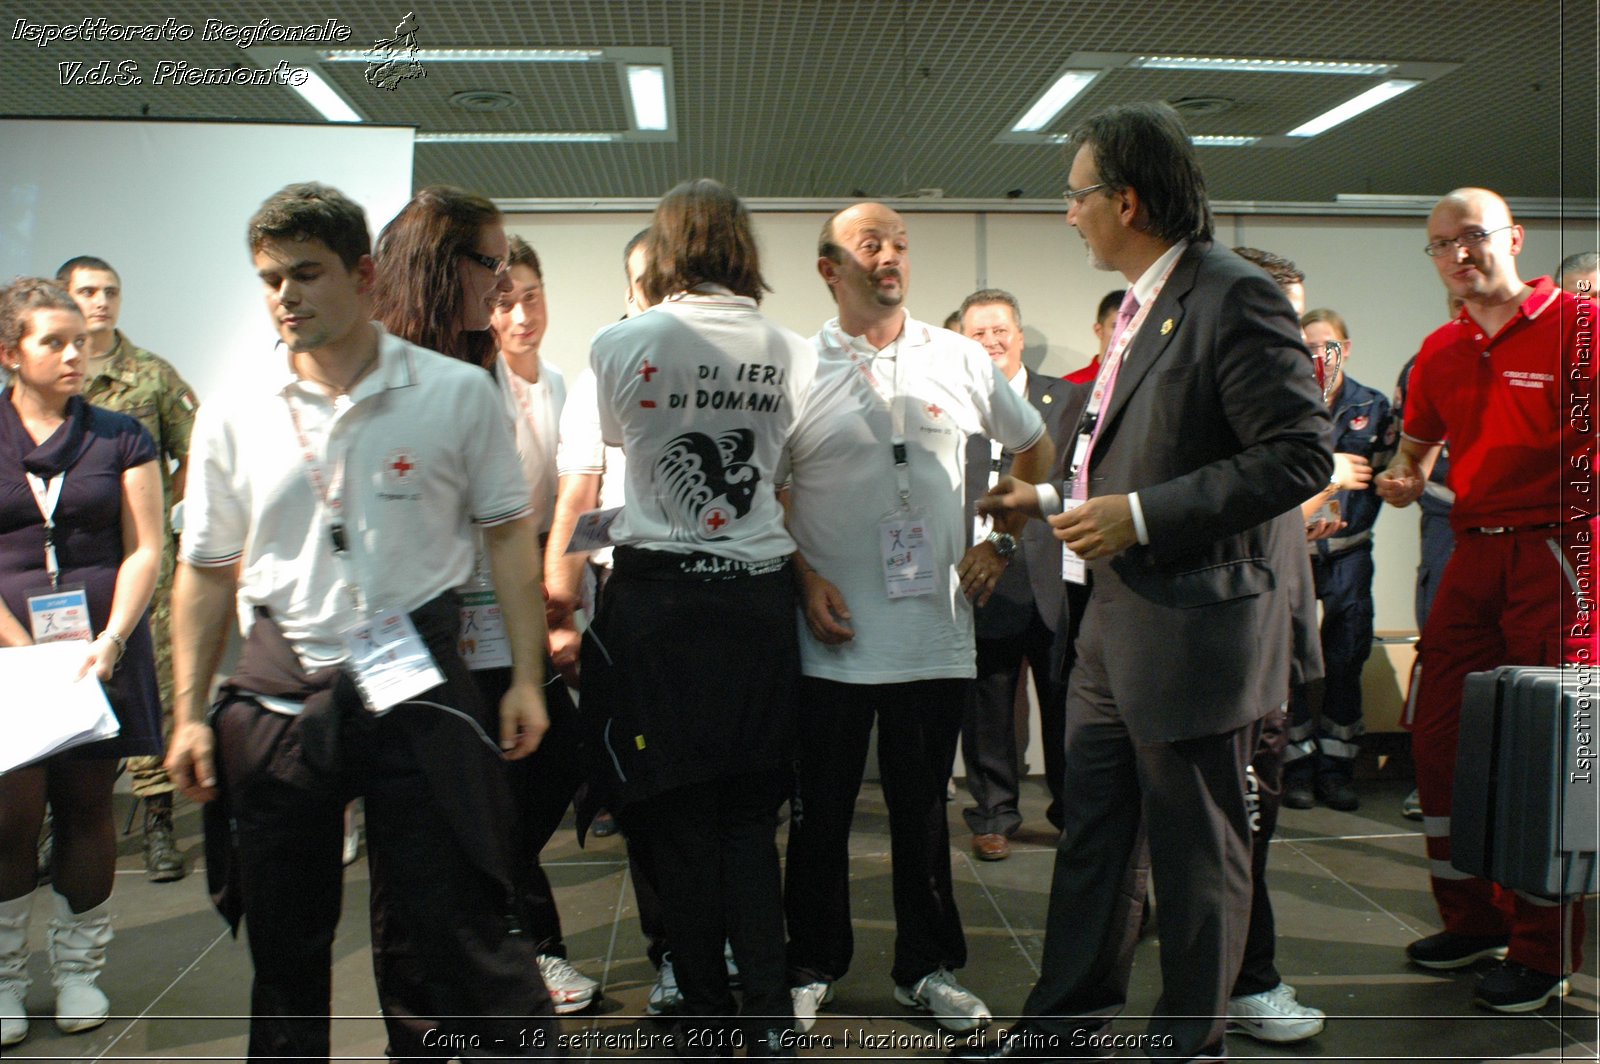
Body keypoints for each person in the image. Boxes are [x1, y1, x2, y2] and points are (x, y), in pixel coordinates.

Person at [965, 102, 1332, 1062]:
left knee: (1195, 857)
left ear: (1125, 200)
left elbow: (1299, 456)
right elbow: (1126, 453)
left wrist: (1143, 516)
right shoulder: (1140, 304)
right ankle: (1063, 1029)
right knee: (1095, 838)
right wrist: (1048, 496)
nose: (1069, 213)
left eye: (1077, 194)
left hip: (1193, 629)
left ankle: (1188, 1043)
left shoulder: (1231, 293)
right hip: (1110, 625)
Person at [163, 181, 559, 1061]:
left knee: (442, 923)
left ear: (365, 274)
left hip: (416, 672)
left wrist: (526, 677)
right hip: (279, 691)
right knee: (286, 942)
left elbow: (507, 544)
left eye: (307, 274)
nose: (286, 297)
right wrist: (189, 709)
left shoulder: (456, 394)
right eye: (270, 279)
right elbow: (205, 572)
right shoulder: (233, 411)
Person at [782, 202, 1052, 1034]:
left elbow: (1033, 450)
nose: (891, 256)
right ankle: (810, 962)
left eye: (899, 243)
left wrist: (1001, 543)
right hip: (832, 636)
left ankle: (928, 966)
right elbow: (769, 491)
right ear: (830, 268)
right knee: (820, 813)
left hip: (934, 635)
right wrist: (804, 578)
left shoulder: (961, 358)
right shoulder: (795, 364)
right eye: (871, 244)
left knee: (922, 811)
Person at [583, 177, 816, 1056]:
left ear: (668, 247)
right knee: (749, 821)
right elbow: (788, 456)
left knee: (676, 820)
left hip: (660, 606)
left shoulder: (622, 343)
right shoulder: (791, 350)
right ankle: (768, 1018)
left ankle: (709, 1019)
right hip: (755, 602)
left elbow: (619, 437)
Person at [371, 187, 593, 1021]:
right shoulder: (385, 365)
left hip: (489, 628)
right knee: (416, 844)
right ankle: (440, 1003)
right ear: (441, 267)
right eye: (493, 266)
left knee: (544, 768)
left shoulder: (479, 367)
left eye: (514, 273)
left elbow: (510, 529)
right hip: (408, 642)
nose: (505, 286)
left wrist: (535, 651)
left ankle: (490, 937)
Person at [1376, 187, 1592, 1013]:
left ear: (1514, 237)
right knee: (1438, 741)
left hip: (1559, 555)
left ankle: (1545, 952)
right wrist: (1403, 481)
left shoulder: (1582, 327)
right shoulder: (1440, 350)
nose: (1458, 255)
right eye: (1440, 245)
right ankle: (1473, 920)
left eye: (1472, 237)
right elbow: (1417, 453)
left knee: (1550, 755)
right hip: (1472, 555)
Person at [0, 278, 164, 1045]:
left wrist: (115, 636)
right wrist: (23, 652)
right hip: (8, 657)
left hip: (100, 651)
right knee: (11, 816)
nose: (75, 352)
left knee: (88, 806)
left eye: (81, 340)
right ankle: (3, 978)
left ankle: (78, 975)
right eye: (52, 341)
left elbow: (146, 549)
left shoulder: (122, 434)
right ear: (9, 354)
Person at [54, 254, 198, 883]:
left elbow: (193, 450)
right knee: (58, 687)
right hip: (66, 566)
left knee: (149, 691)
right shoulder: (55, 376)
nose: (101, 302)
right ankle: (57, 824)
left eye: (110, 291)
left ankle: (159, 824)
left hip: (141, 565)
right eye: (87, 291)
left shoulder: (151, 375)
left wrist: (161, 513)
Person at [957, 288, 1083, 858]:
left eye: (1000, 330)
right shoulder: (950, 404)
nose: (991, 341)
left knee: (1068, 709)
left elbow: (1083, 482)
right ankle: (993, 814)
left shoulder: (1069, 400)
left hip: (1060, 577)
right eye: (978, 333)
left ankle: (1074, 812)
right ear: (963, 341)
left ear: (1020, 336)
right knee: (988, 710)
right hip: (984, 579)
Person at [1282, 308, 1389, 812]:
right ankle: (1296, 768)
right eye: (1306, 348)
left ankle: (1338, 769)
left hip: (1348, 554)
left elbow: (1392, 474)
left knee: (1346, 659)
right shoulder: (1282, 404)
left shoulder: (1373, 404)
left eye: (1326, 346)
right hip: (1295, 553)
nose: (1317, 356)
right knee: (1293, 662)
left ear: (1345, 347)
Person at [1063, 289, 1124, 384]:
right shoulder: (1070, 385)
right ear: (1099, 330)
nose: (1126, 334)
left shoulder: (1149, 387)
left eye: (1132, 327)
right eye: (1116, 326)